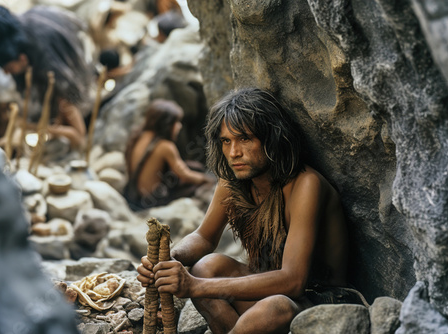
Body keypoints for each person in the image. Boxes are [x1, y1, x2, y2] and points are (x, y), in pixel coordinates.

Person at [137, 88, 363, 333]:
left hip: (321, 302)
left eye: (244, 138)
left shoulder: (305, 185)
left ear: (271, 138)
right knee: (206, 267)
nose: (234, 152)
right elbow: (204, 237)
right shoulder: (233, 181)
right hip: (267, 291)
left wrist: (193, 286)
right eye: (226, 141)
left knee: (274, 307)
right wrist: (168, 261)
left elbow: (294, 281)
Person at [0, 5, 93, 150]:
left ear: (23, 59)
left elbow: (77, 133)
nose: (6, 73)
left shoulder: (47, 59)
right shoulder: (18, 39)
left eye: (9, 69)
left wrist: (37, 127)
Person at [123, 99, 213, 211]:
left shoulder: (139, 136)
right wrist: (207, 180)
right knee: (197, 175)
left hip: (134, 196)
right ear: (167, 124)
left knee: (193, 166)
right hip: (154, 200)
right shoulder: (165, 146)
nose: (179, 126)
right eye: (177, 122)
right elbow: (185, 175)